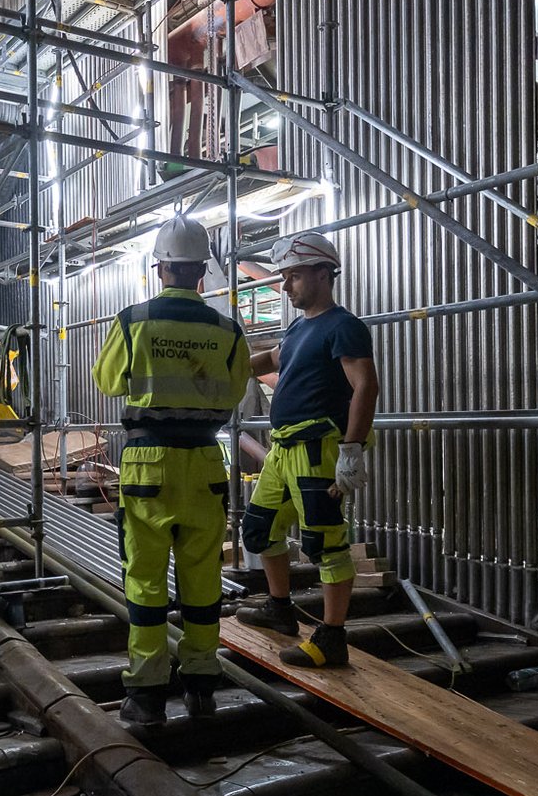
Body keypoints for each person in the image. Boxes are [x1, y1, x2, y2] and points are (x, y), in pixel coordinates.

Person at [91, 216, 252, 727]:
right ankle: (202, 686)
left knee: (144, 580)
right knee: (203, 579)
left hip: (148, 462)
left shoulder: (133, 320)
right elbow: (234, 392)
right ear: (202, 270)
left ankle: (146, 695)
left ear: (158, 267)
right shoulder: (228, 329)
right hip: (206, 460)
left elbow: (108, 381)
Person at [236, 231, 378, 667]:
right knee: (259, 529)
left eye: (294, 276)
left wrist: (351, 449)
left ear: (323, 273)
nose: (285, 286)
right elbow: (271, 360)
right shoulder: (300, 327)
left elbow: (366, 386)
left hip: (317, 448)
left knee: (325, 543)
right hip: (283, 450)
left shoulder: (344, 326)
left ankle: (332, 637)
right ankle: (279, 609)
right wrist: (221, 366)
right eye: (284, 277)